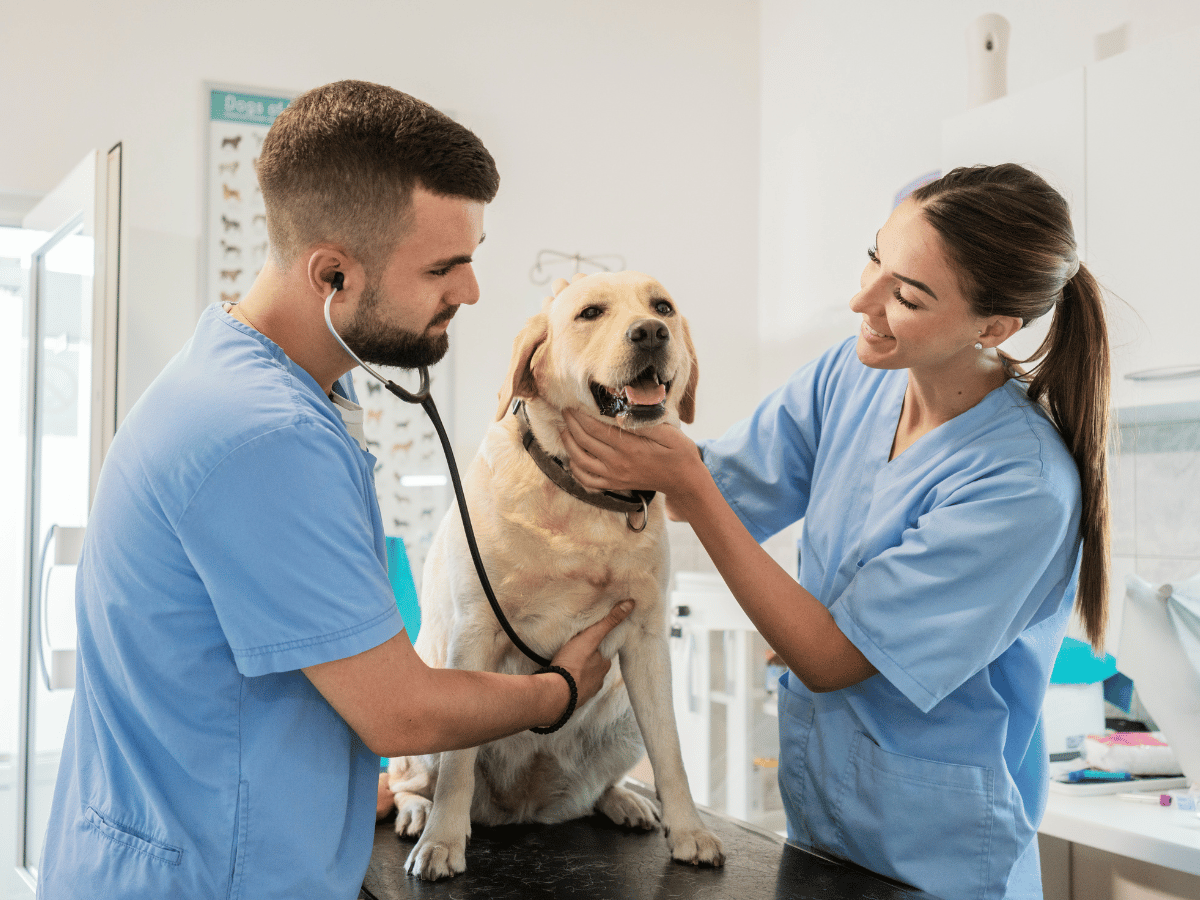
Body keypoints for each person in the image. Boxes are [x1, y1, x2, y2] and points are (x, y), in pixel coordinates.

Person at [37, 80, 632, 900]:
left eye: (474, 255)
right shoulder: (263, 435)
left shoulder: (264, 382)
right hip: (212, 878)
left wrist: (339, 790)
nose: (471, 291)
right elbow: (402, 714)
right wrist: (557, 691)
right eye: (443, 267)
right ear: (332, 276)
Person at [561, 164, 1110, 900]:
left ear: (995, 327)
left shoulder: (1021, 485)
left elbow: (828, 656)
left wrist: (681, 477)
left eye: (906, 296)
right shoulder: (855, 377)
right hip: (823, 831)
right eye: (876, 257)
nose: (863, 300)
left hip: (937, 861)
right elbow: (713, 487)